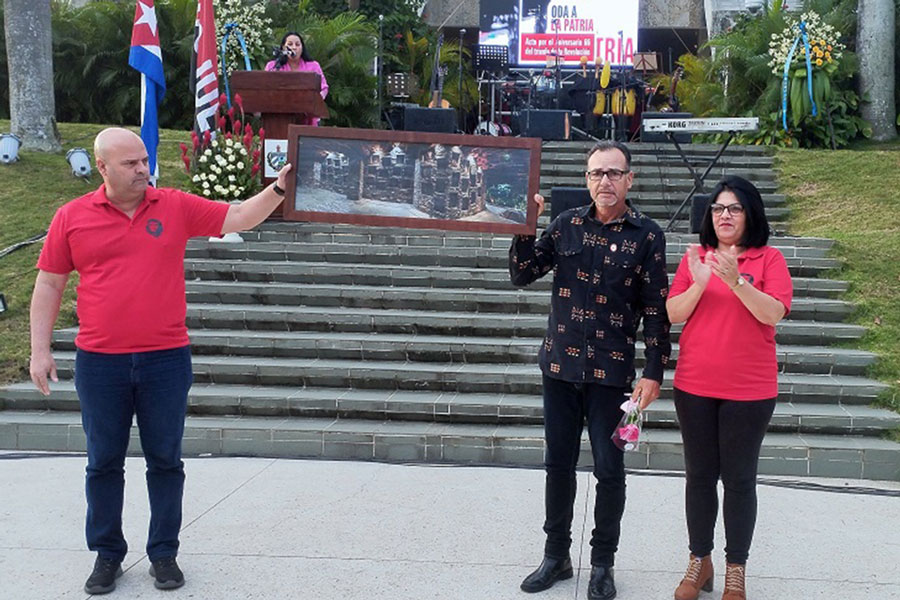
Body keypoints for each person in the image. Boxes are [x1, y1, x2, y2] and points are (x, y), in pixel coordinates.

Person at [29, 128, 293, 595]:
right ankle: (107, 554)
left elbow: (236, 217)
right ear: (103, 168)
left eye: (145, 160)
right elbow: (50, 284)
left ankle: (163, 553)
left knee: (166, 461)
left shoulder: (172, 205)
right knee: (103, 463)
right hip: (100, 362)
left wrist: (276, 190)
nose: (142, 170)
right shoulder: (71, 217)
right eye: (130, 164)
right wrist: (40, 350)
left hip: (165, 360)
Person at [510, 140, 671, 600]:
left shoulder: (647, 236)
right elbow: (522, 273)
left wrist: (654, 371)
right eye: (597, 173)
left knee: (609, 470)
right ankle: (556, 555)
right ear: (586, 179)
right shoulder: (565, 226)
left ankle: (603, 563)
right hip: (559, 367)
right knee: (557, 464)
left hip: (612, 375)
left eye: (614, 173)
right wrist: (527, 225)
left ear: (629, 179)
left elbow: (656, 311)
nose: (605, 181)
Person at [665, 176, 792, 600]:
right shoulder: (695, 259)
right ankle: (699, 562)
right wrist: (701, 281)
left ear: (750, 213)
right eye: (718, 207)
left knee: (739, 480)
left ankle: (736, 568)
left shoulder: (769, 259)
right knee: (699, 477)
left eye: (734, 208)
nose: (724, 215)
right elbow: (673, 313)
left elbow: (773, 314)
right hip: (695, 385)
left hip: (750, 391)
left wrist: (737, 280)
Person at [264, 31, 328, 126]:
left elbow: (323, 87)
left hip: (308, 117)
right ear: (283, 48)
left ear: (302, 48)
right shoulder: (272, 66)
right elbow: (264, 87)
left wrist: (314, 101)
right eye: (290, 44)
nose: (294, 47)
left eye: (297, 44)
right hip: (278, 117)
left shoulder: (313, 66)